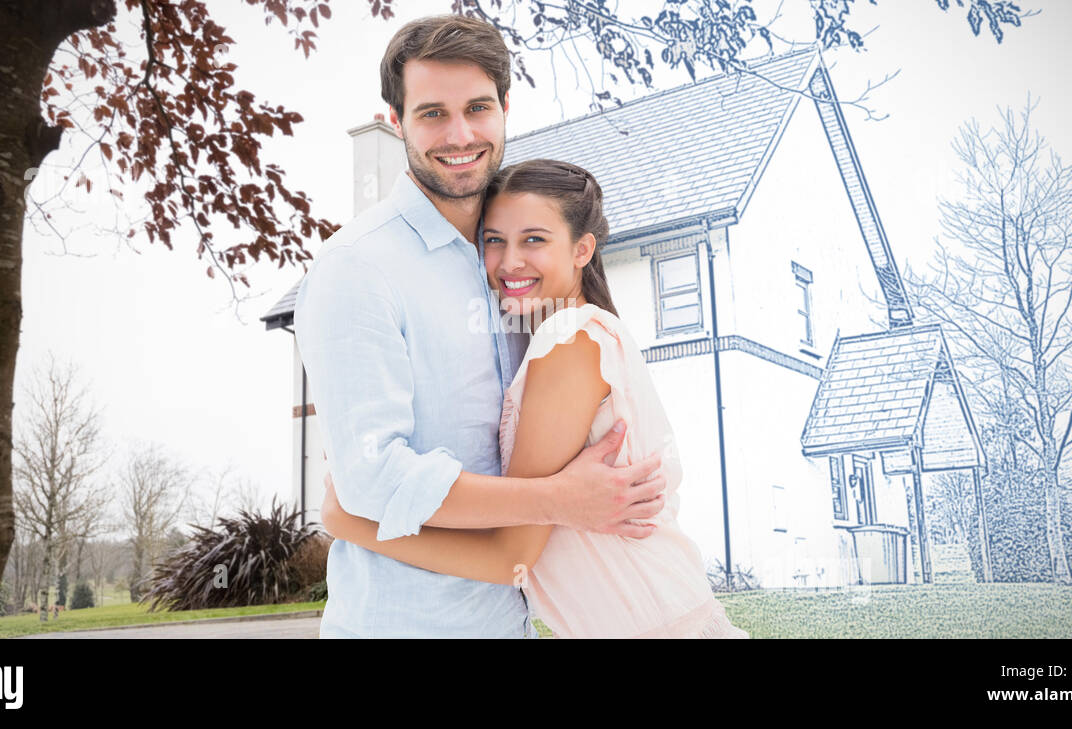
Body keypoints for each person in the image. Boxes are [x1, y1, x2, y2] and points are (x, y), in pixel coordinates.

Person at [295, 15, 668, 639]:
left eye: (477, 107)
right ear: (397, 122)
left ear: (504, 108)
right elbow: (371, 480)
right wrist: (557, 499)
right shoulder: (356, 271)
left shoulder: (516, 268)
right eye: (432, 113)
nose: (460, 134)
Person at [321, 159, 749, 639]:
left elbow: (509, 558)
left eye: (534, 240)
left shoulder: (567, 340)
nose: (509, 262)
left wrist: (349, 520)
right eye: (494, 240)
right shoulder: (570, 333)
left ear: (582, 249)